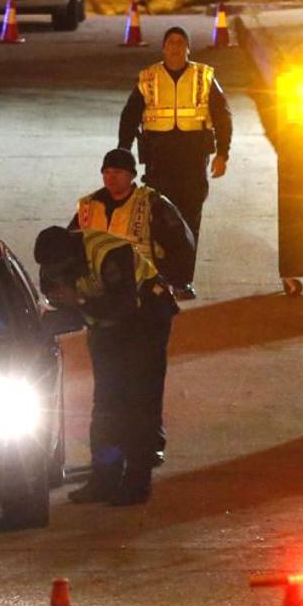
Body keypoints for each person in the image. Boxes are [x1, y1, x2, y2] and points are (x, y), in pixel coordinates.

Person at [34, 225, 178, 506]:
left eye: (64, 269)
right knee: (106, 405)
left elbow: (122, 305)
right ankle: (104, 478)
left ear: (72, 254)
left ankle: (137, 482)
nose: (57, 275)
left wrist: (80, 301)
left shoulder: (110, 252)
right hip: (105, 327)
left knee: (139, 403)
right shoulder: (52, 267)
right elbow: (67, 312)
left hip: (147, 318)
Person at [69, 146, 194, 464]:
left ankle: (149, 445)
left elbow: (182, 243)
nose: (111, 178)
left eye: (118, 173)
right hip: (105, 310)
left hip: (145, 310)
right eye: (107, 172)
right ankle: (111, 454)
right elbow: (69, 249)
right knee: (108, 387)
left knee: (145, 382)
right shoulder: (88, 207)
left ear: (132, 175)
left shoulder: (152, 204)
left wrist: (167, 283)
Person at [117, 24, 232, 298]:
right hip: (159, 159)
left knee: (189, 221)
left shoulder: (204, 77)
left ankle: (183, 281)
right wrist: (124, 153)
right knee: (159, 221)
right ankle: (161, 278)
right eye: (171, 42)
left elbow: (223, 116)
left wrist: (223, 154)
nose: (176, 47)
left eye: (181, 42)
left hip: (193, 160)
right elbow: (130, 116)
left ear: (188, 48)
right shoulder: (149, 78)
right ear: (163, 48)